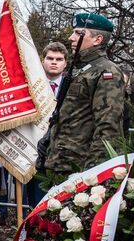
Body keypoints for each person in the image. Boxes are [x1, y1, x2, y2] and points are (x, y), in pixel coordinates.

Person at [44, 13, 125, 175]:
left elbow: (108, 129)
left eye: (79, 33)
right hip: (61, 164)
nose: (71, 37)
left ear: (98, 40)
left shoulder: (107, 71)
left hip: (80, 170)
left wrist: (91, 175)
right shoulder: (80, 70)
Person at [23, 41, 69, 209]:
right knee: (35, 202)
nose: (54, 62)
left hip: (62, 153)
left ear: (65, 63)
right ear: (42, 61)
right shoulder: (30, 85)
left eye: (59, 59)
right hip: (34, 151)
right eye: (50, 58)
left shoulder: (71, 85)